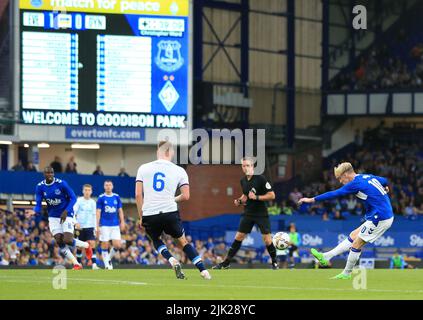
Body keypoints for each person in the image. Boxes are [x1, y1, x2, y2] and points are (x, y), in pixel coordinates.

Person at [298, 162, 394, 279]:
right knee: (353, 235)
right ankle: (326, 257)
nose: (340, 181)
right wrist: (385, 187)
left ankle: (347, 273)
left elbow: (335, 193)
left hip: (380, 217)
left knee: (357, 244)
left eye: (340, 178)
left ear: (346, 174)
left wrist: (312, 199)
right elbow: (384, 180)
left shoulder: (355, 183)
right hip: (379, 215)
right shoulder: (367, 176)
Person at [135, 140, 211, 280]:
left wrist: (141, 216)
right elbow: (186, 196)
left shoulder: (143, 168)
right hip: (170, 211)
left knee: (155, 239)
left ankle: (171, 259)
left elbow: (138, 195)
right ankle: (203, 271)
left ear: (158, 151)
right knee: (182, 241)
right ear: (171, 152)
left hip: (150, 212)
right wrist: (171, 199)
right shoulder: (179, 170)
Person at [213, 157, 278, 270]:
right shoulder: (243, 181)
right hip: (248, 213)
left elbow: (272, 195)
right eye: (243, 166)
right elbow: (245, 196)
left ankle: (275, 263)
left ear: (252, 166)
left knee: (267, 239)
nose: (245, 168)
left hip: (261, 213)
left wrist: (257, 197)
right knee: (239, 236)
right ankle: (226, 262)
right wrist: (239, 201)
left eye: (248, 165)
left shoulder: (261, 179)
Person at [25, 167, 92, 269]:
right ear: (44, 174)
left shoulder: (61, 184)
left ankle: (86, 245)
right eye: (48, 173)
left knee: (68, 240)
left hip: (67, 213)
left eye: (52, 172)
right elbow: (38, 204)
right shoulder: (40, 187)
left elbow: (73, 198)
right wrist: (34, 211)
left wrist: (66, 211)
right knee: (59, 240)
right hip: (53, 216)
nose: (50, 174)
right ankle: (76, 263)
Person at [96, 180, 126, 270]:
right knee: (105, 244)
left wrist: (122, 222)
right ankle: (107, 265)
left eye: (109, 185)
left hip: (115, 225)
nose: (108, 186)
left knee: (117, 245)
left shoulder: (116, 197)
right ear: (104, 187)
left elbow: (120, 210)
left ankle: (108, 258)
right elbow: (98, 212)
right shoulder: (101, 198)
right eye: (106, 185)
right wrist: (97, 225)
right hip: (104, 224)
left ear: (112, 186)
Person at [74, 184, 99, 269]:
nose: (87, 192)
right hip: (80, 227)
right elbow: (73, 212)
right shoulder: (79, 200)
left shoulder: (93, 202)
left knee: (92, 244)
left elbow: (94, 216)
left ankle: (94, 264)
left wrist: (95, 228)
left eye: (89, 190)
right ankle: (79, 264)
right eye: (86, 190)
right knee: (80, 246)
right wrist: (75, 222)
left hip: (90, 226)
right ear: (83, 191)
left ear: (91, 192)